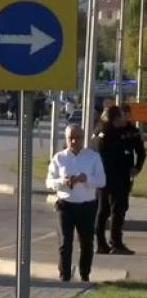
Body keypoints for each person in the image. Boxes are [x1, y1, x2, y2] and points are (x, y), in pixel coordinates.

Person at [46, 124, 105, 282]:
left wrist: (87, 179)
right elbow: (49, 182)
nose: (73, 141)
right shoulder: (59, 158)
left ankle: (85, 275)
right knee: (65, 243)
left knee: (86, 243)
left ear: (82, 138)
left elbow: (102, 181)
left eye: (77, 137)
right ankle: (64, 276)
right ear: (66, 139)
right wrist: (63, 181)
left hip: (86, 205)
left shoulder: (93, 157)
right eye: (70, 138)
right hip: (65, 205)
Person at [94, 106, 138, 255]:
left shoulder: (120, 131)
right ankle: (104, 243)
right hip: (109, 178)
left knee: (116, 210)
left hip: (118, 177)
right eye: (120, 116)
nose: (123, 119)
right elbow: (107, 156)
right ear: (114, 118)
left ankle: (112, 242)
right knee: (105, 210)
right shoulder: (105, 133)